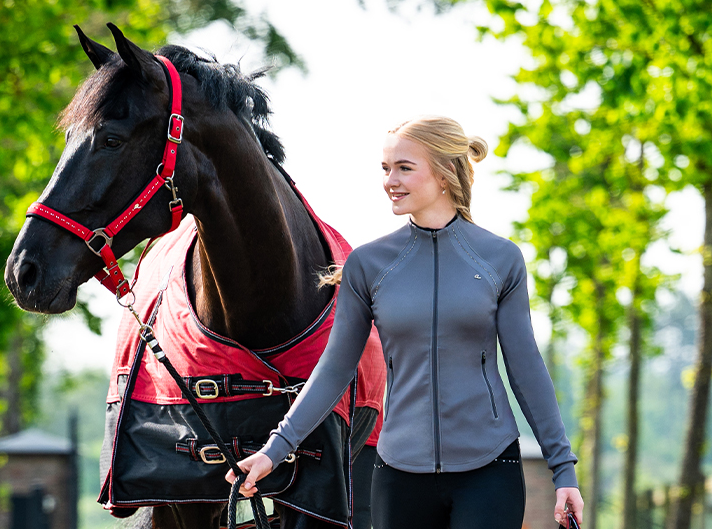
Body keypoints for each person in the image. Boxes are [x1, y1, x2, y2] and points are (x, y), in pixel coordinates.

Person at [225, 116, 585, 529]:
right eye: (385, 168)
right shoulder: (369, 264)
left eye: (404, 168)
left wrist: (563, 468)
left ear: (445, 173)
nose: (390, 180)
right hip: (399, 472)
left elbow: (525, 367)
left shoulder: (499, 259)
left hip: (489, 468)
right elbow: (335, 368)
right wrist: (274, 449)